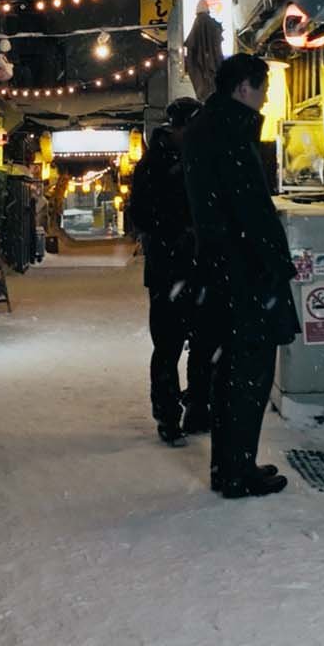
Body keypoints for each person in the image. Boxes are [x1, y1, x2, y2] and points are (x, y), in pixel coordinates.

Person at [183, 53, 298, 499]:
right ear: (242, 88)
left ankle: (230, 466)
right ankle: (237, 470)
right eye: (262, 88)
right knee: (247, 374)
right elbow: (250, 209)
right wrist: (274, 264)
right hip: (244, 273)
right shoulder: (229, 132)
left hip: (223, 271)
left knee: (232, 372)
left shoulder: (206, 128)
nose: (265, 98)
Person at [127, 97, 211, 446]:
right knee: (168, 346)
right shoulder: (153, 165)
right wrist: (176, 233)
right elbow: (140, 216)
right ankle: (167, 416)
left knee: (204, 343)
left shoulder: (200, 159)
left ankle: (197, 409)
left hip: (200, 269)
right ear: (178, 127)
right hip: (167, 270)